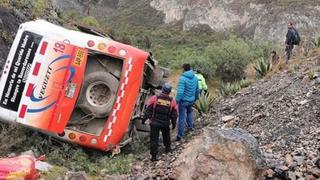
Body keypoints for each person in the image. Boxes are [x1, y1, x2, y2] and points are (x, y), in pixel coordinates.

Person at [144, 83, 178, 162]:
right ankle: (168, 149)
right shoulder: (172, 101)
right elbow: (175, 114)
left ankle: (154, 156)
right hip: (165, 123)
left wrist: (144, 119)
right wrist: (174, 124)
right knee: (166, 136)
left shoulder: (155, 98)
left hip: (154, 123)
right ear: (169, 92)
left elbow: (148, 109)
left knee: (154, 139)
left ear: (162, 90)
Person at [176, 64, 199, 141]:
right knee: (189, 113)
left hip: (183, 101)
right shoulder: (195, 78)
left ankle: (180, 135)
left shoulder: (182, 79)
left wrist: (176, 101)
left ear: (183, 69)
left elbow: (180, 93)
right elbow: (197, 90)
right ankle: (191, 127)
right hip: (191, 100)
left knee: (182, 117)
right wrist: (195, 99)